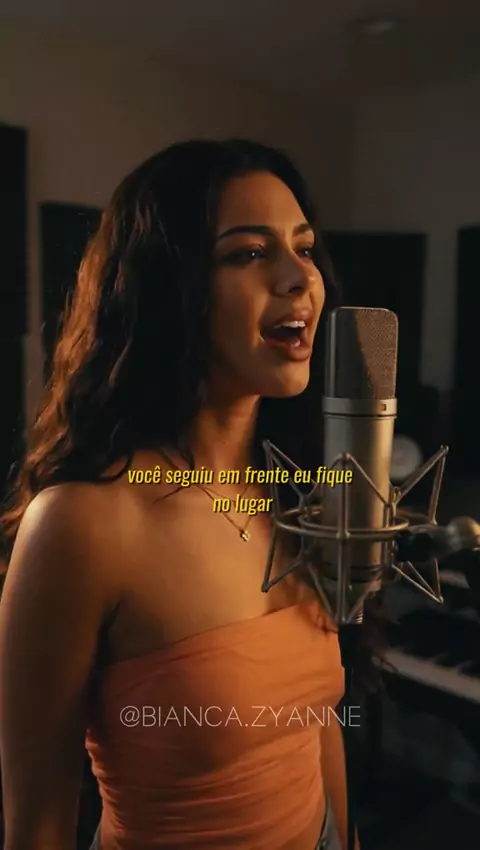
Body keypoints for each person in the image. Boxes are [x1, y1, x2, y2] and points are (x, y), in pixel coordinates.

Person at [0, 139, 368, 849]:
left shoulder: (296, 493)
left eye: (304, 248)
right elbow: (36, 826)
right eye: (249, 252)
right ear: (167, 287)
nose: (301, 277)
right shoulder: (82, 525)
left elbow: (315, 717)